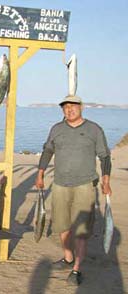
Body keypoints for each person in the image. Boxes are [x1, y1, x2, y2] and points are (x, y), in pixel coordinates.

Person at [35, 95, 112, 286]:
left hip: (85, 185)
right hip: (60, 184)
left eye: (73, 106)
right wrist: (40, 173)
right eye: (66, 107)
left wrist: (106, 179)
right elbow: (47, 151)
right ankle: (68, 257)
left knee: (81, 230)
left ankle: (76, 269)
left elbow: (105, 156)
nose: (69, 110)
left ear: (81, 107)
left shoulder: (94, 129)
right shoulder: (56, 129)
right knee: (62, 226)